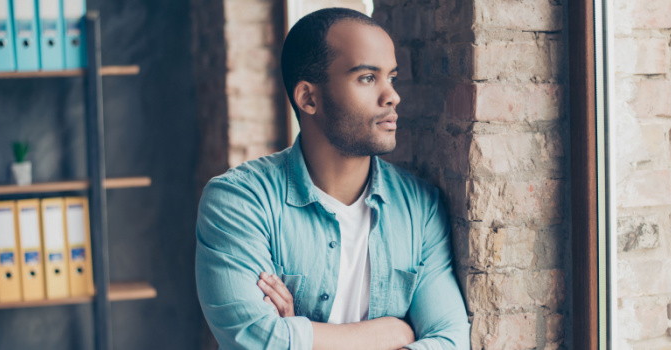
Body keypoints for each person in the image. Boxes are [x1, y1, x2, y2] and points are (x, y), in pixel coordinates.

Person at [195, 7, 469, 350]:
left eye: (392, 77)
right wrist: (392, 333)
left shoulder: (420, 207)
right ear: (309, 98)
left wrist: (299, 333)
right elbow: (254, 340)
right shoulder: (239, 201)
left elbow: (451, 341)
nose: (392, 96)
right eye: (368, 78)